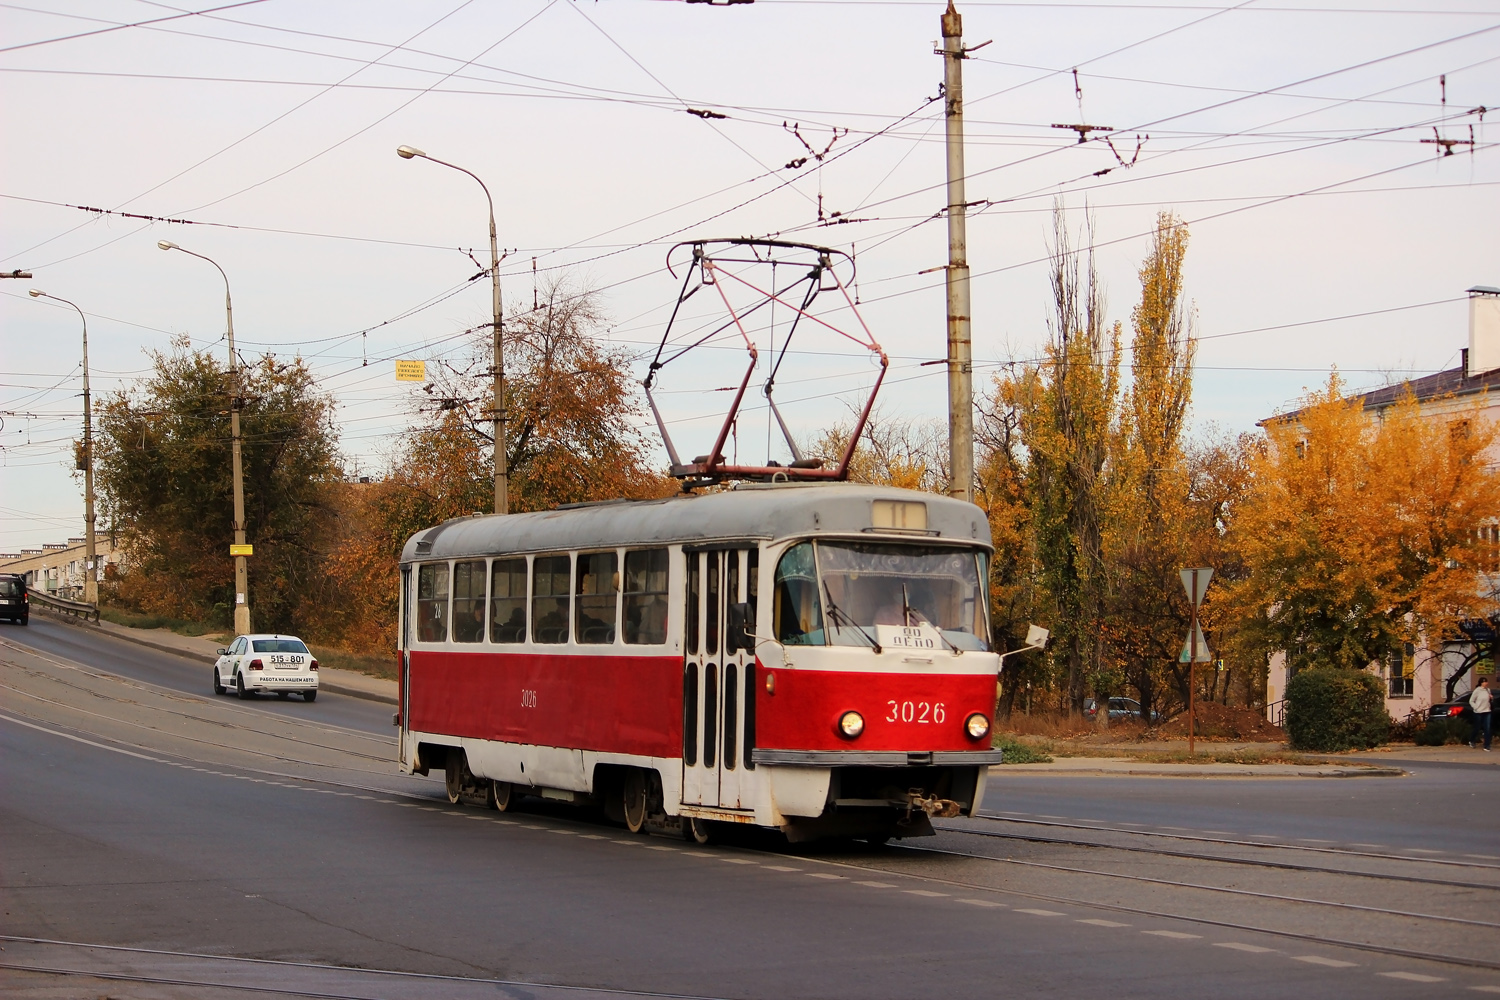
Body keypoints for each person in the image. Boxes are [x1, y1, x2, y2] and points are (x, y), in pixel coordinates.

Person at [1470, 677, 1492, 752]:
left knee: (1487, 728)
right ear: (1481, 683)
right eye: (1484, 682)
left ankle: (1487, 745)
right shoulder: (1477, 691)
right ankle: (1472, 740)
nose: (1486, 683)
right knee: (1477, 727)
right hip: (1478, 712)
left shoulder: (1488, 690)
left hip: (1487, 711)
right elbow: (1471, 701)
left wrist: (1491, 698)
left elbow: (1489, 700)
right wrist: (1476, 707)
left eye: (1486, 682)